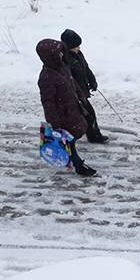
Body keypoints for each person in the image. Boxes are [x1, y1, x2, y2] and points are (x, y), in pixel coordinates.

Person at [36, 38, 96, 177]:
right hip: (62, 115)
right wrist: (54, 122)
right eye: (59, 53)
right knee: (68, 140)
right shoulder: (46, 77)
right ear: (50, 56)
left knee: (72, 138)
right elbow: (48, 102)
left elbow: (72, 83)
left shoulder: (62, 66)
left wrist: (81, 97)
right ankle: (78, 165)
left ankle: (72, 160)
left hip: (72, 109)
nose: (62, 55)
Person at [61, 29, 108, 143]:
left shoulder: (78, 54)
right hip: (74, 95)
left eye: (79, 46)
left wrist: (92, 81)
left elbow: (86, 68)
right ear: (68, 46)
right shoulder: (65, 59)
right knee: (88, 114)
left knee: (88, 114)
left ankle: (92, 135)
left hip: (82, 92)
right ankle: (92, 136)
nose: (79, 48)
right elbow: (68, 79)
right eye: (76, 46)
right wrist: (75, 93)